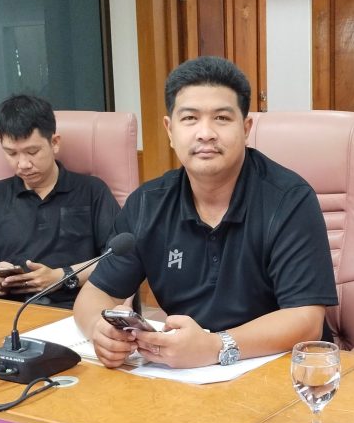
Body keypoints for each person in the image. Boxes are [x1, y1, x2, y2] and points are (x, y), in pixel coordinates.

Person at [73, 56, 338, 369]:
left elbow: (306, 320)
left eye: (222, 118)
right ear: (170, 130)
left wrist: (215, 347)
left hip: (281, 369)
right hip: (185, 373)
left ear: (246, 128)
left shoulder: (289, 200)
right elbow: (94, 295)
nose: (205, 133)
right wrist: (100, 330)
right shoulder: (147, 204)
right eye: (190, 118)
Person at [0, 94, 119, 307]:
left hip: (73, 309)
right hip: (6, 310)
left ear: (54, 143)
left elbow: (118, 257)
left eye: (32, 152)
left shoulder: (92, 191)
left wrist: (61, 277)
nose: (23, 164)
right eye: (11, 153)